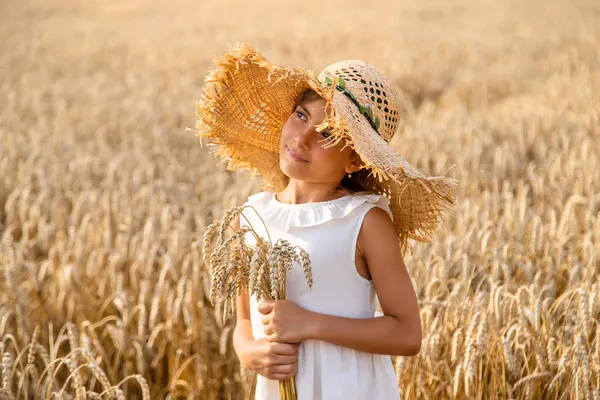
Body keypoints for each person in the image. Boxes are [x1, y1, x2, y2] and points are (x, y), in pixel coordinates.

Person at [196, 43, 458, 400]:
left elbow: (408, 334)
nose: (302, 138)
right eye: (301, 116)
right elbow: (245, 320)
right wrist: (248, 351)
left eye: (327, 134)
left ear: (355, 160)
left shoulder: (364, 221)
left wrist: (310, 324)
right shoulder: (248, 219)